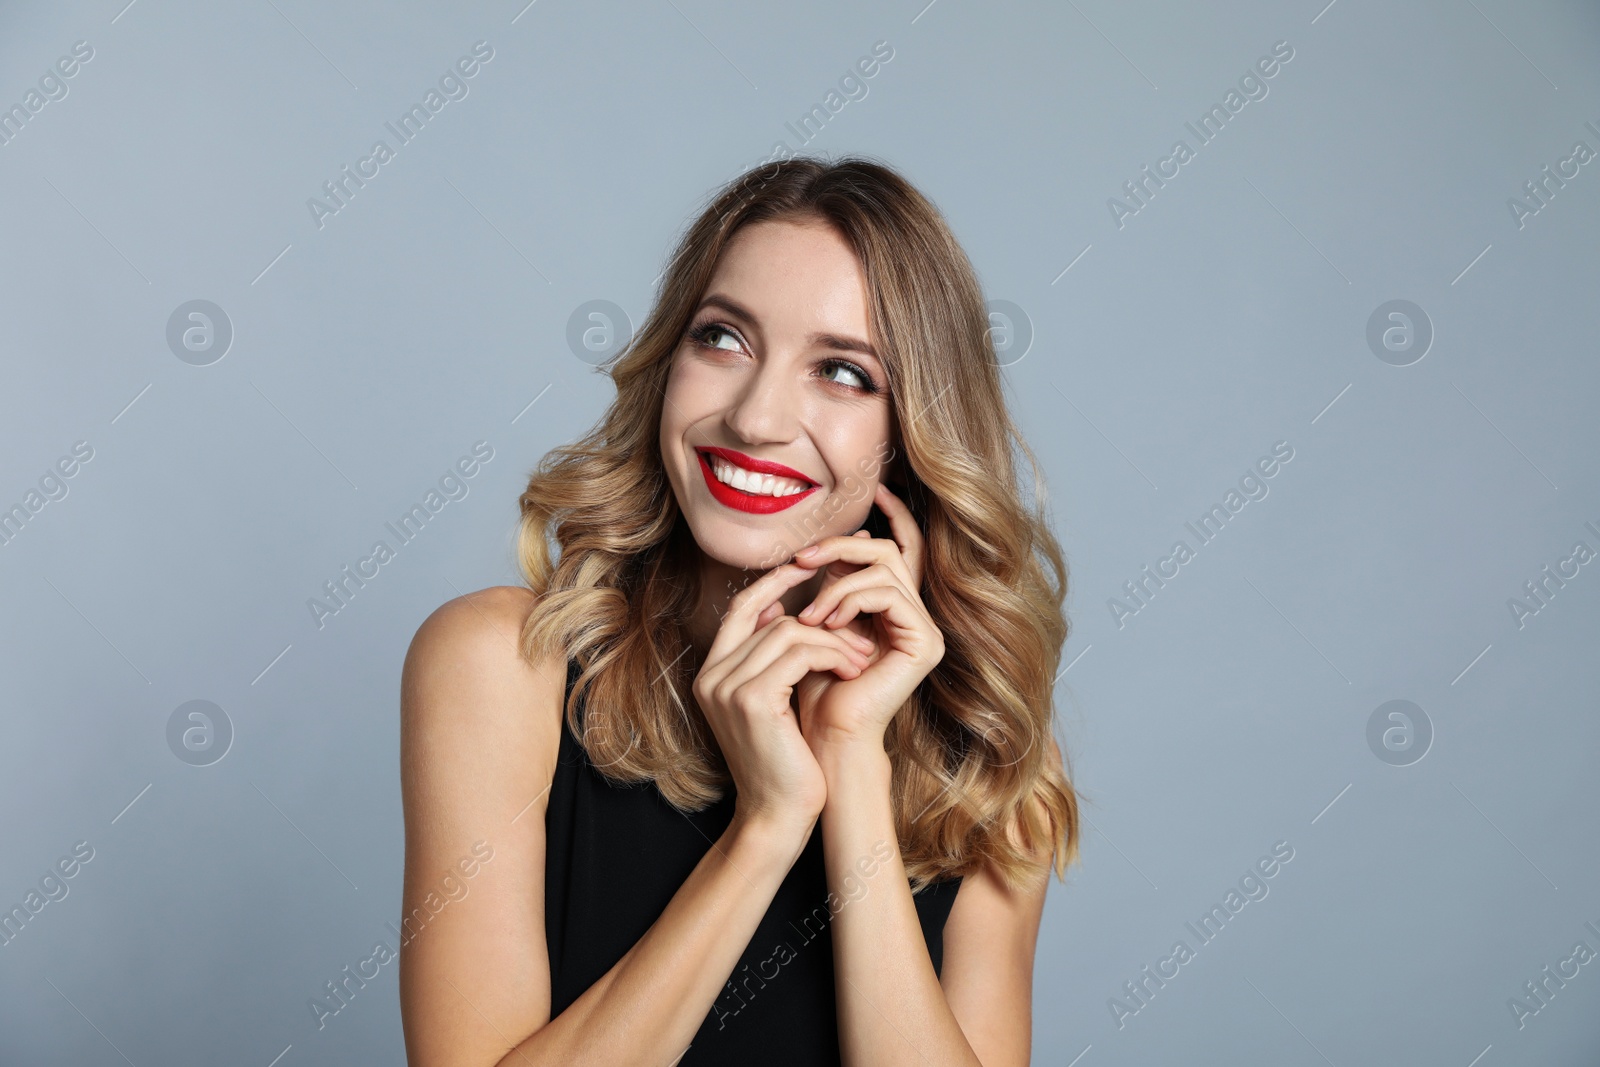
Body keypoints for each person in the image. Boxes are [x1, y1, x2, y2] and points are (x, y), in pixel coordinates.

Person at [398, 156, 1079, 1066]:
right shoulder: (502, 664)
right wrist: (764, 828)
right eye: (724, 338)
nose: (757, 418)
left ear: (909, 438)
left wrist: (852, 762)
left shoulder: (987, 752)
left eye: (841, 371)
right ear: (668, 359)